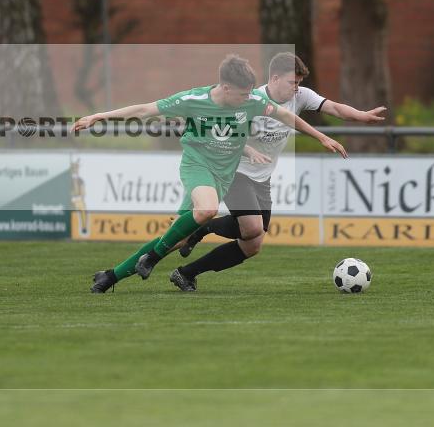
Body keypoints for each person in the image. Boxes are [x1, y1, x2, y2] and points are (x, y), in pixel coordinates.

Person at [73, 54, 348, 294]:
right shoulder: (193, 100)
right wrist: (99, 116)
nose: (249, 100)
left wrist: (321, 137)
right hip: (198, 165)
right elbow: (145, 109)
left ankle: (110, 276)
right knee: (207, 210)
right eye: (242, 95)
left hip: (224, 175)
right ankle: (153, 258)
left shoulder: (252, 100)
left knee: (179, 238)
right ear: (225, 88)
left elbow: (287, 117)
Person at [169, 52, 386, 292]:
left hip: (262, 177)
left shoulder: (301, 96)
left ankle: (186, 272)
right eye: (293, 82)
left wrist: (362, 116)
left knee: (252, 245)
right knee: (252, 228)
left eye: (299, 83)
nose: (297, 88)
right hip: (236, 171)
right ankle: (200, 228)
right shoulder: (251, 100)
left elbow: (334, 107)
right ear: (274, 78)